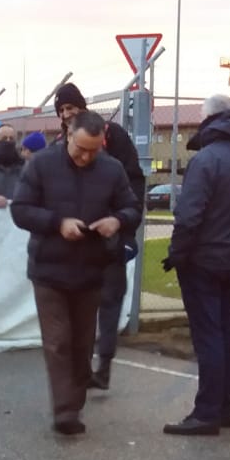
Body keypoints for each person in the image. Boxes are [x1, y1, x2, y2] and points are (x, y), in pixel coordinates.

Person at [11, 111, 142, 436]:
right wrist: (58, 223)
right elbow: (20, 209)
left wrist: (119, 220)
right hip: (49, 269)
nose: (86, 156)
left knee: (83, 343)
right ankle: (66, 411)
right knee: (58, 341)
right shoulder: (41, 164)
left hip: (92, 268)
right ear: (68, 134)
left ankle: (76, 396)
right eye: (81, 148)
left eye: (93, 150)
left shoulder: (111, 169)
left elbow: (131, 207)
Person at [156, 94, 230, 437]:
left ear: (209, 119)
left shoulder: (206, 160)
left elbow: (189, 216)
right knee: (225, 332)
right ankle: (224, 407)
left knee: (209, 338)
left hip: (203, 258)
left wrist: (177, 253)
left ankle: (206, 412)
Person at [51, 82, 145, 391]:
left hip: (109, 235)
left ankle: (103, 363)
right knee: (76, 305)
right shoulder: (57, 147)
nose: (66, 114)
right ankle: (79, 364)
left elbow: (134, 182)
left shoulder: (112, 135)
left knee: (109, 299)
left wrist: (125, 226)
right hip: (74, 243)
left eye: (70, 107)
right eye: (62, 110)